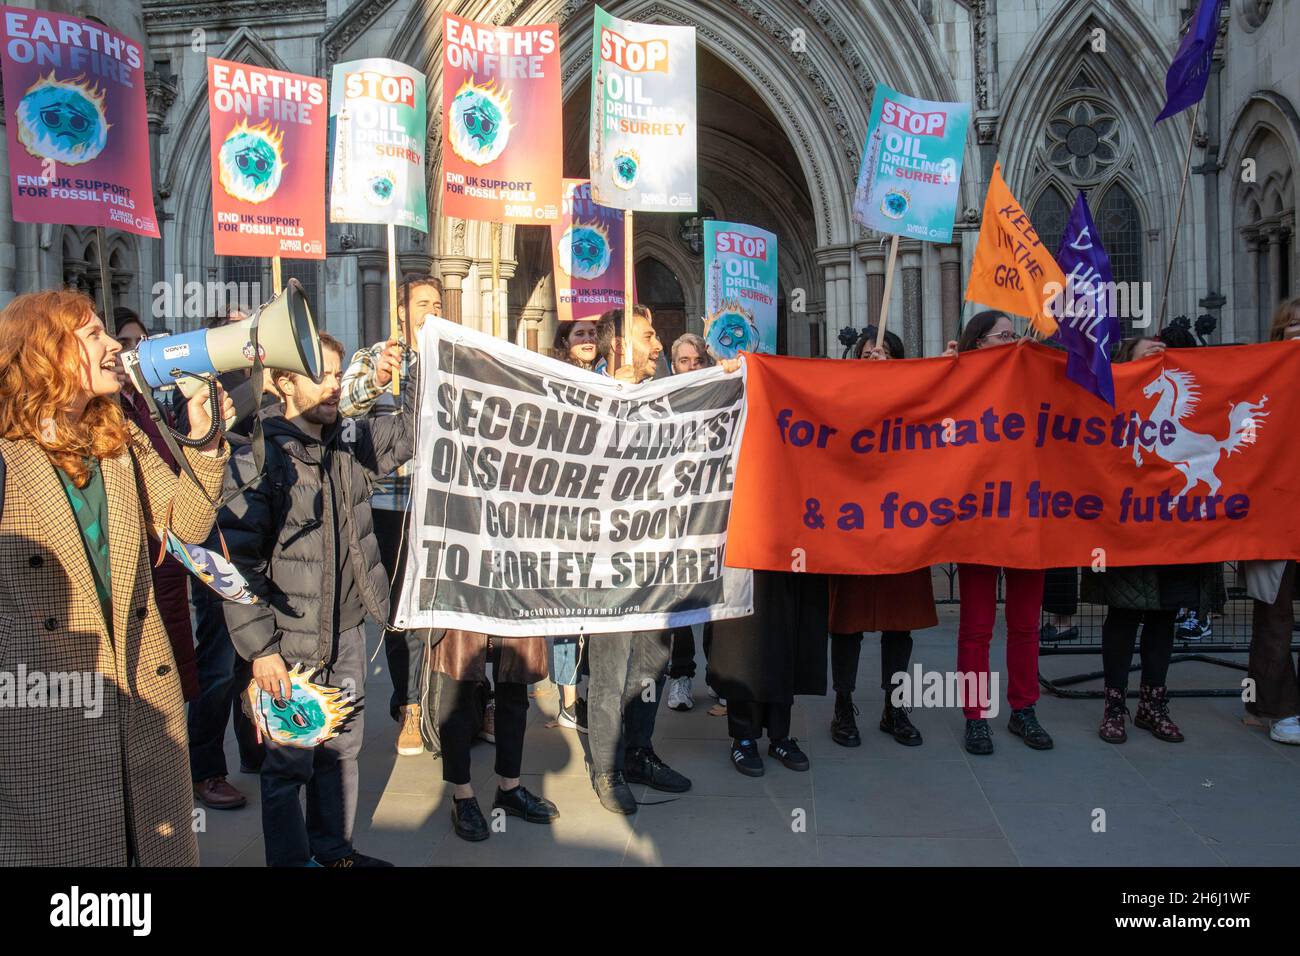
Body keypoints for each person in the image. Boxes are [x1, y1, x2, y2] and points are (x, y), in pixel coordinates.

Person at [0, 290, 231, 866]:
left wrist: (202, 433)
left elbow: (191, 525)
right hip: (43, 705)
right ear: (45, 353)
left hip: (139, 689)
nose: (113, 348)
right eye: (95, 336)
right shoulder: (7, 458)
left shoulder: (118, 439)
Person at [220, 332, 410, 867]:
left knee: (342, 750)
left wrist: (409, 367)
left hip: (346, 632)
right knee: (288, 766)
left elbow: (413, 432)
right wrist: (261, 650)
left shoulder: (348, 443)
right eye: (321, 374)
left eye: (337, 372)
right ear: (283, 382)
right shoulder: (259, 456)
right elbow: (237, 564)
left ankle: (334, 852)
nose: (334, 384)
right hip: (288, 643)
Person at [584, 306, 691, 813]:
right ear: (620, 345)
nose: (658, 344)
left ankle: (639, 752)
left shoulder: (664, 393)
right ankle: (605, 767)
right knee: (610, 671)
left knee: (652, 664)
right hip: (608, 560)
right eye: (649, 335)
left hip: (656, 556)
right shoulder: (584, 394)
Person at [339, 276, 443, 756]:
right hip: (391, 506)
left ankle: (447, 703)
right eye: (423, 304)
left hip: (440, 505)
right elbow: (344, 406)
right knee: (400, 611)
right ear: (401, 311)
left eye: (439, 303)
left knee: (438, 610)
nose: (432, 311)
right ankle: (410, 706)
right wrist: (380, 378)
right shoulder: (376, 356)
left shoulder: (452, 359)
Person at [946, 311, 1053, 754]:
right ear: (977, 344)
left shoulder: (1037, 379)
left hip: (1031, 518)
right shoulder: (959, 381)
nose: (1013, 340)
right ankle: (976, 715)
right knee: (977, 626)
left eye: (1015, 334)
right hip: (979, 520)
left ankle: (1023, 710)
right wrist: (946, 372)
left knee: (1026, 625)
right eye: (1004, 335)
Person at [828, 326, 936, 747]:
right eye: (869, 352)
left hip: (902, 527)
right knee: (848, 625)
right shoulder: (841, 400)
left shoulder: (916, 402)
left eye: (887, 352)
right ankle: (843, 704)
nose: (879, 357)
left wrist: (957, 367)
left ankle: (895, 707)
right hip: (852, 528)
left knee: (899, 624)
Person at [1243, 297, 1300, 744]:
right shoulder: (1261, 386)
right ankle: (1274, 708)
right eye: (1292, 328)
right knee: (1274, 615)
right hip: (1272, 517)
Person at [709, 571, 827, 775]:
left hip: (788, 553)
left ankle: (780, 735)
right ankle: (743, 736)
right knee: (743, 635)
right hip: (744, 554)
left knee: (786, 631)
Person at [546, 318, 601, 728]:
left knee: (597, 606)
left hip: (602, 513)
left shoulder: (612, 376)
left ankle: (595, 689)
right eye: (579, 333)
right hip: (564, 512)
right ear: (564, 341)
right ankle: (569, 698)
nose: (588, 339)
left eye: (593, 333)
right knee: (567, 610)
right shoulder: (551, 377)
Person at [664, 332, 717, 712]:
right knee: (681, 604)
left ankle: (720, 677)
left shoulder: (722, 398)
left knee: (716, 600)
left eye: (697, 359)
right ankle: (680, 678)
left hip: (713, 514)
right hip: (678, 518)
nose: (691, 366)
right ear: (674, 364)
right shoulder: (665, 400)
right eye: (684, 360)